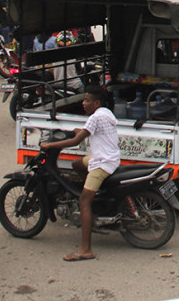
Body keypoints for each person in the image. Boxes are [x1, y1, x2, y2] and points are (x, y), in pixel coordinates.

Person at [38, 86, 120, 262]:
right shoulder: (105, 113)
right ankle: (92, 193)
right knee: (77, 164)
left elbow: (76, 141)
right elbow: (85, 133)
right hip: (109, 158)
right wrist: (78, 131)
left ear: (96, 103)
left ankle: (86, 250)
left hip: (102, 163)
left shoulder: (95, 117)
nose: (83, 103)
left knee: (84, 201)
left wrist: (50, 146)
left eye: (87, 100)